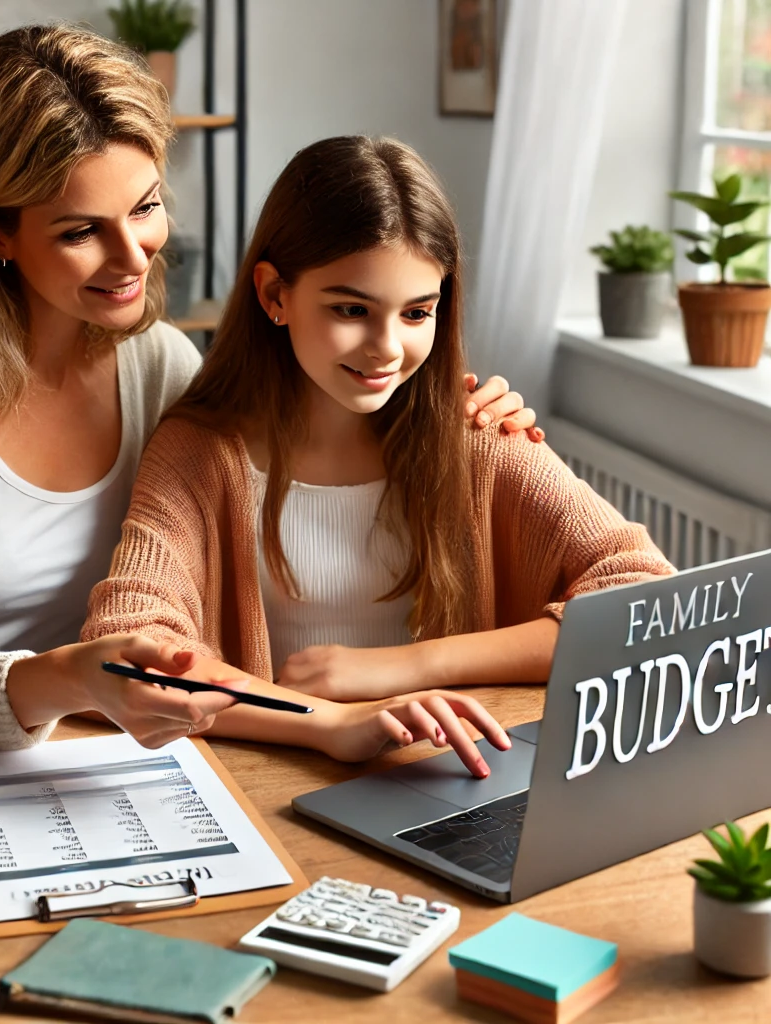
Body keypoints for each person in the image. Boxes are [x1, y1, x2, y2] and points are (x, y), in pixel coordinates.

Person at [0, 27, 536, 750]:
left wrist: (448, 404)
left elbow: (306, 424)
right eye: (80, 231)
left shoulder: (163, 365)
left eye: (146, 207)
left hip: (93, 753)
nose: (132, 256)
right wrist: (67, 678)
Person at [81, 135, 675, 776]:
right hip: (272, 784)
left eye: (417, 312)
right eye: (351, 309)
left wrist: (406, 666)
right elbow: (130, 652)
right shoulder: (200, 453)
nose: (386, 348)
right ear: (275, 295)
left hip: (451, 775)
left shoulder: (475, 436)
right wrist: (324, 723)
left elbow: (650, 601)